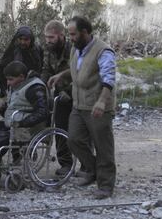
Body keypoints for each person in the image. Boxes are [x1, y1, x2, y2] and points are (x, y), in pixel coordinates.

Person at [48, 16, 116, 200]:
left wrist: (102, 102)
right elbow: (77, 70)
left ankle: (105, 185)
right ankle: (93, 170)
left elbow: (109, 79)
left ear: (85, 33)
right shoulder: (77, 50)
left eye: (73, 34)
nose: (70, 38)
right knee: (74, 140)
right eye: (69, 34)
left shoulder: (103, 51)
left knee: (103, 147)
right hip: (79, 105)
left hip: (97, 106)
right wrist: (62, 75)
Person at [0, 61, 48, 189]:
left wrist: (22, 123)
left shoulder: (34, 88)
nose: (8, 83)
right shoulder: (17, 86)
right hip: (13, 125)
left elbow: (43, 112)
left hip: (26, 129)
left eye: (10, 79)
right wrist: (2, 108)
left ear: (21, 76)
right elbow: (14, 110)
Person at [41, 20, 74, 176]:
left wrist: (69, 91)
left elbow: (80, 73)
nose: (48, 40)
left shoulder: (73, 49)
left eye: (51, 37)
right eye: (46, 37)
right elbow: (46, 69)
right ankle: (66, 164)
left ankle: (87, 166)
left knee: (81, 132)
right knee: (59, 128)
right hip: (59, 95)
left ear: (61, 36)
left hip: (78, 93)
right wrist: (41, 85)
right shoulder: (49, 49)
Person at [0, 26, 43, 98]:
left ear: (31, 40)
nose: (23, 42)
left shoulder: (36, 50)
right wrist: (4, 91)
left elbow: (41, 68)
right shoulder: (12, 51)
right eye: (20, 39)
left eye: (26, 39)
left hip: (32, 87)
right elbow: (0, 72)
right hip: (14, 90)